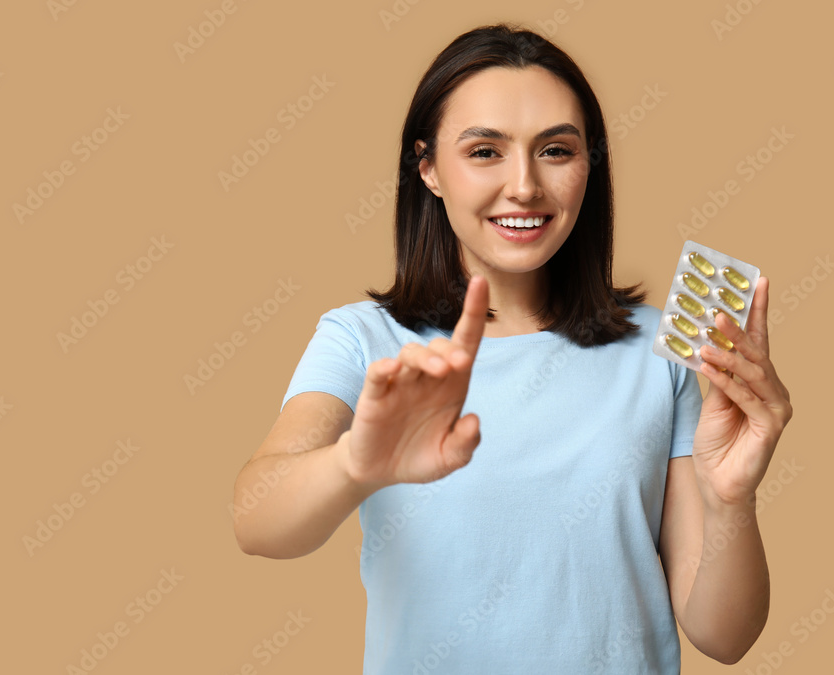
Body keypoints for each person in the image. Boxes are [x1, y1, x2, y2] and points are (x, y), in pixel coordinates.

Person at [232, 23, 792, 673]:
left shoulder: (655, 350)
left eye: (555, 150)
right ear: (428, 167)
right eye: (484, 151)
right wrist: (356, 463)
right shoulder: (363, 339)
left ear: (590, 166)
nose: (524, 185)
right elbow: (256, 520)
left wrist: (732, 498)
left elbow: (725, 636)